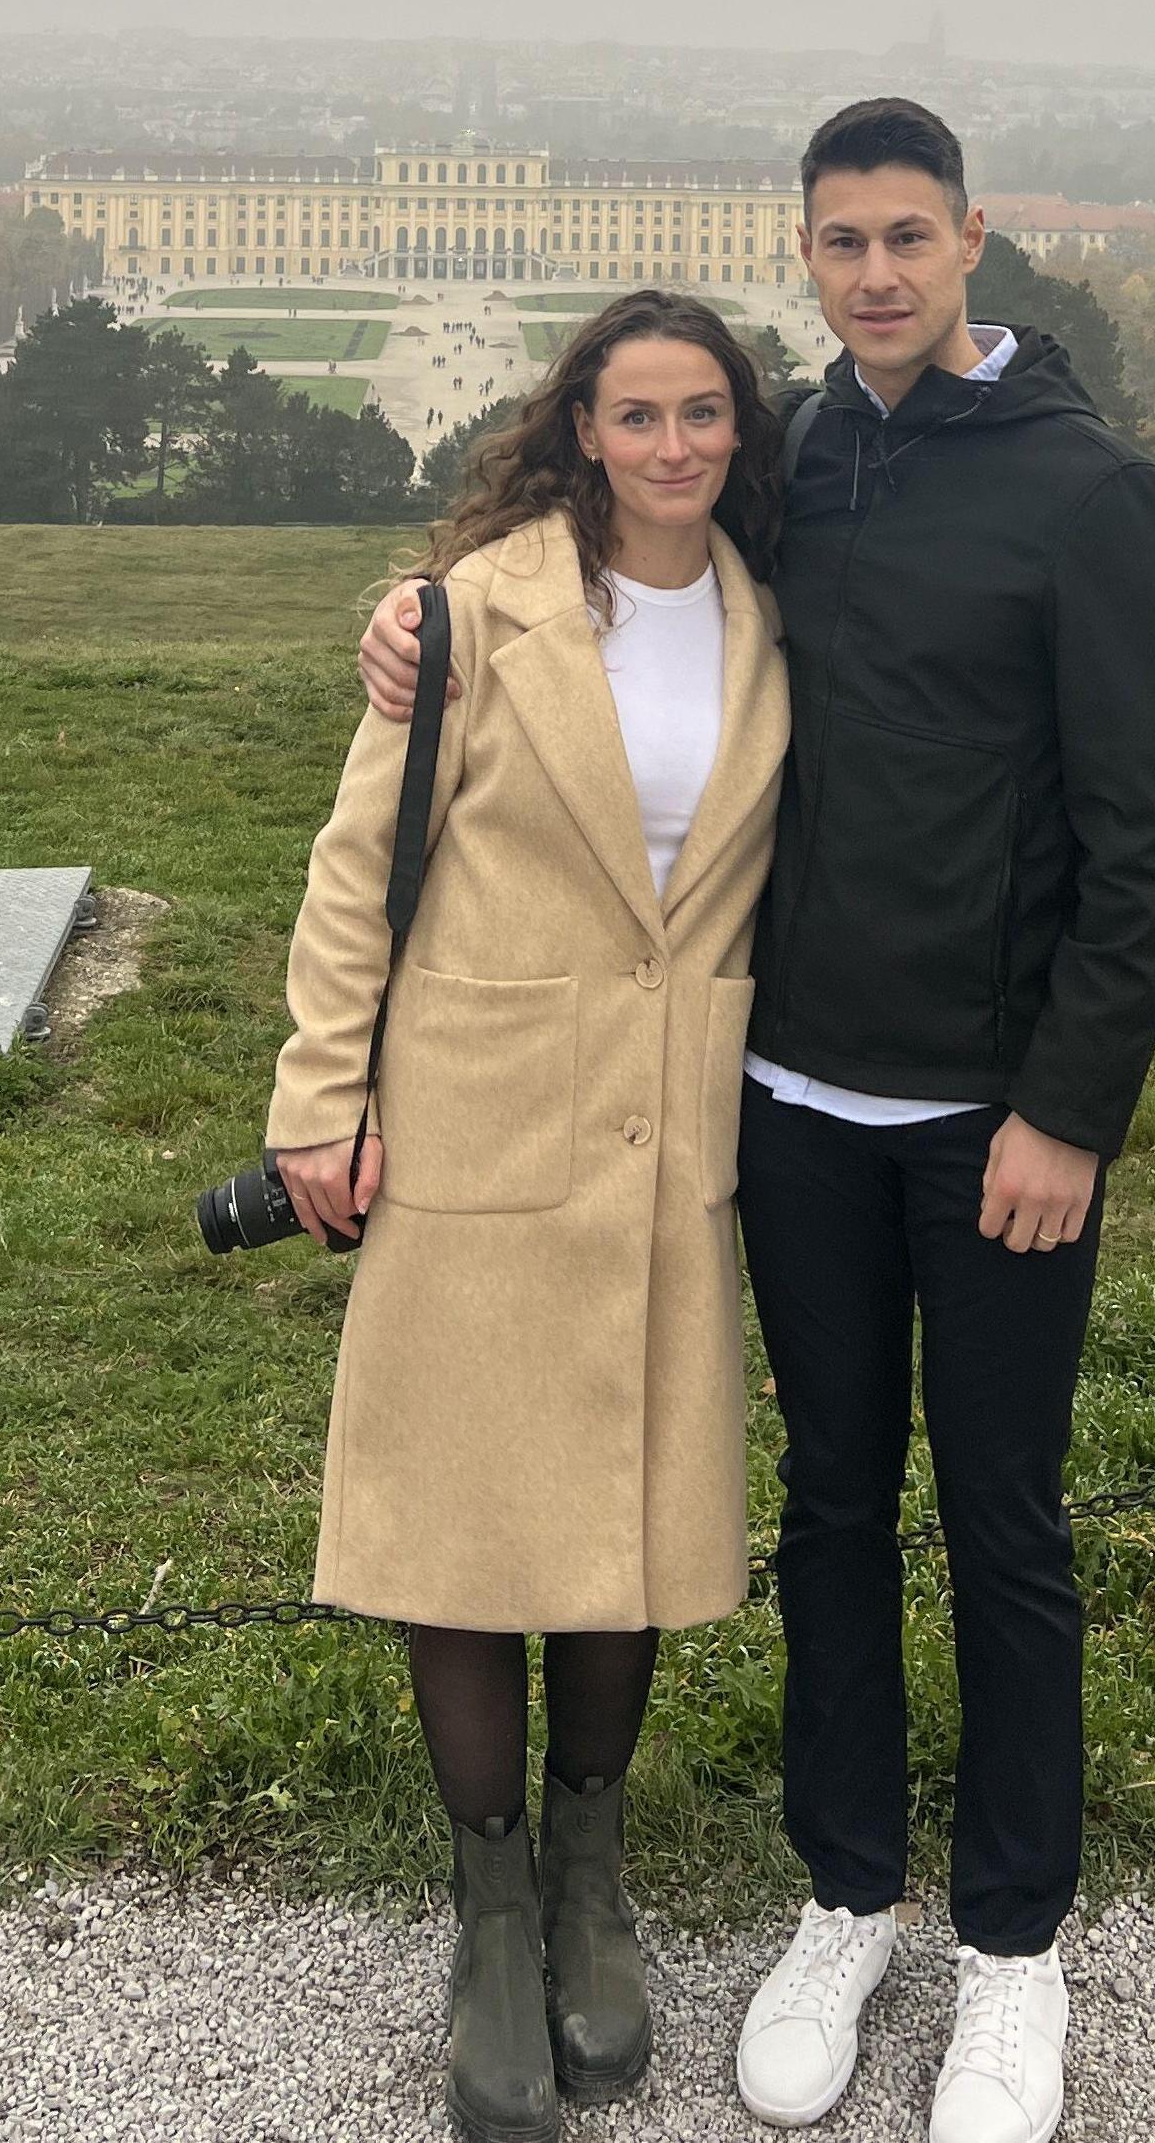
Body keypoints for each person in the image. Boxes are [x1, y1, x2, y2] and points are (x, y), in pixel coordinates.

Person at [365, 98, 1155, 2143]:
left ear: (973, 237)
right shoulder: (799, 457)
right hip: (795, 1105)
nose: (877, 273)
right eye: (842, 242)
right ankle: (848, 1895)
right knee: (833, 1511)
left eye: (909, 236)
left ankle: (1011, 1946)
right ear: (808, 256)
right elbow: (620, 565)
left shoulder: (1094, 495)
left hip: (995, 1125)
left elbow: (1152, 836)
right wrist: (419, 613)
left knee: (1002, 1523)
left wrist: (1068, 1111)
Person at [272, 287, 793, 2143]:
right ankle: (492, 1909)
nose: (670, 446)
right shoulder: (470, 614)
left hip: (662, 1130)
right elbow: (360, 864)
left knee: (623, 1518)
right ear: (580, 426)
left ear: (739, 430)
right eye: (636, 414)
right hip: (479, 1110)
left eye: (701, 413)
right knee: (470, 1519)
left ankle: (588, 1877)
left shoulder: (773, 613)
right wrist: (317, 1096)